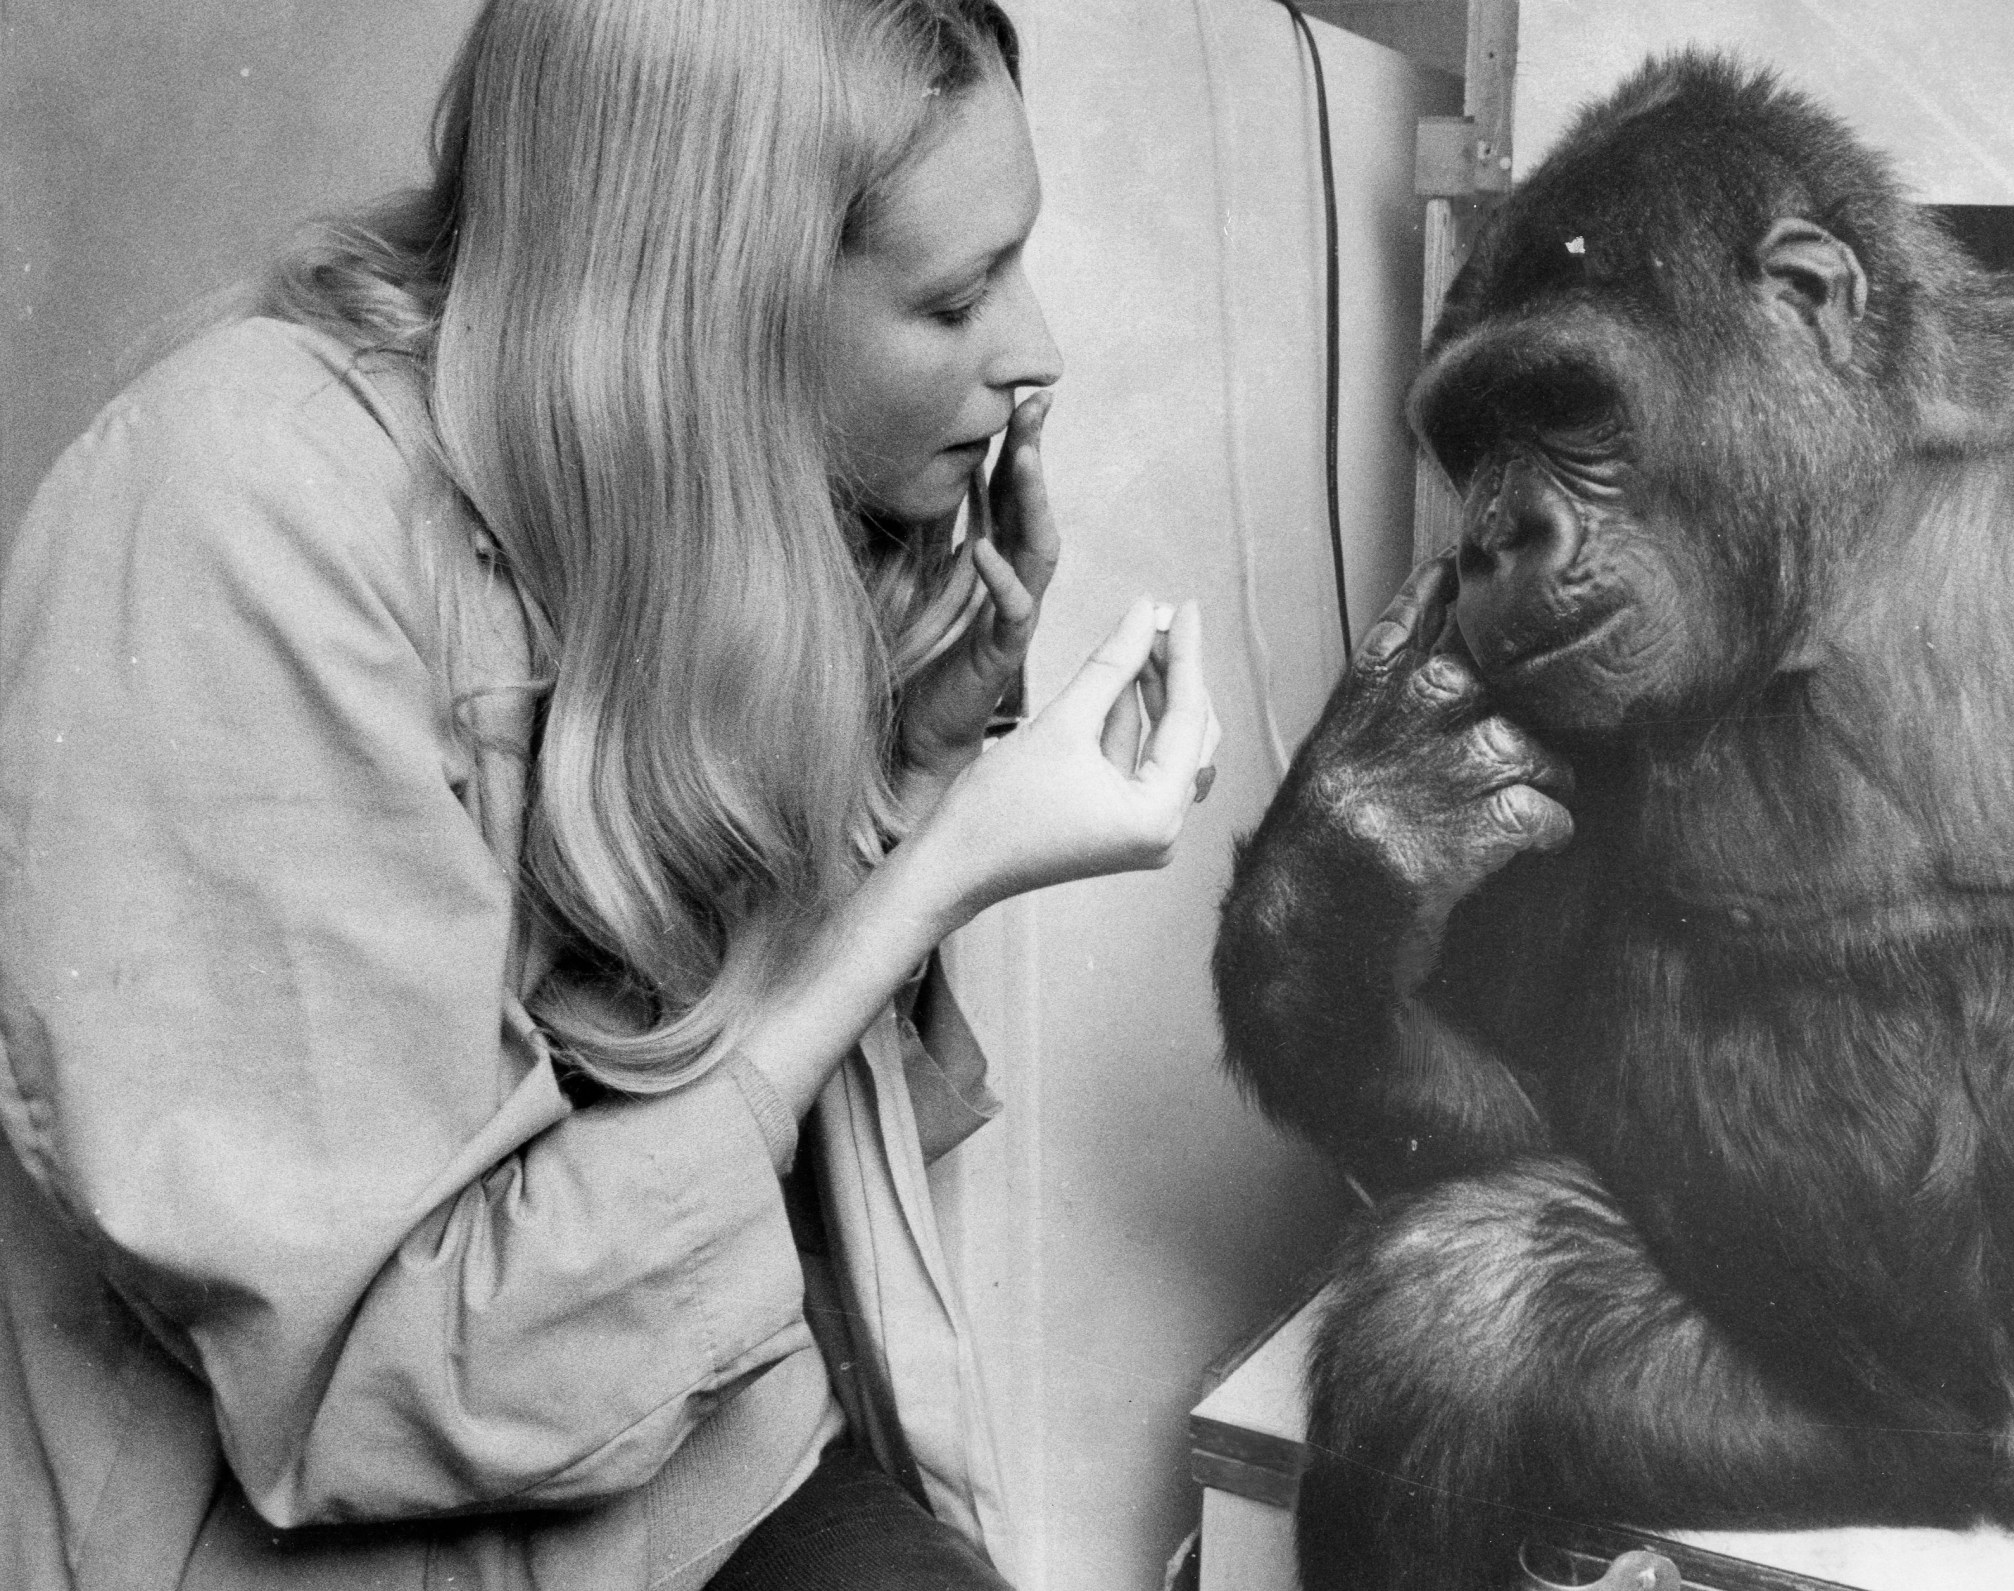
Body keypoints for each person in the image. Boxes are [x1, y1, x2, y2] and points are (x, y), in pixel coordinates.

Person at [0, 2, 1219, 1588]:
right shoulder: (233, 517)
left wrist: (915, 769)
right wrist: (938, 872)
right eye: (955, 296)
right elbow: (383, 1388)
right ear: (710, 298)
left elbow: (719, 1137)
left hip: (685, 1465)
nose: (1033, 347)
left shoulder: (679, 495)